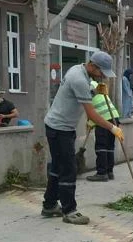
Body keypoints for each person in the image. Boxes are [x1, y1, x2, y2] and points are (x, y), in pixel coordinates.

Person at [41, 50, 124, 225]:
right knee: (68, 169)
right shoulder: (78, 79)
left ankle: (49, 205)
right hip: (59, 129)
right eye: (101, 72)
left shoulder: (80, 71)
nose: (102, 76)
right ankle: (69, 210)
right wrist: (112, 127)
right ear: (93, 66)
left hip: (60, 127)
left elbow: (86, 93)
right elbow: (92, 113)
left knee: (57, 167)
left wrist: (94, 90)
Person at [86, 81, 120, 182]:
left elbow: (93, 112)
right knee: (109, 146)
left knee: (101, 147)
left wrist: (90, 124)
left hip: (104, 120)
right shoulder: (100, 90)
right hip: (114, 117)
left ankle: (101, 173)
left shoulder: (89, 91)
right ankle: (109, 172)